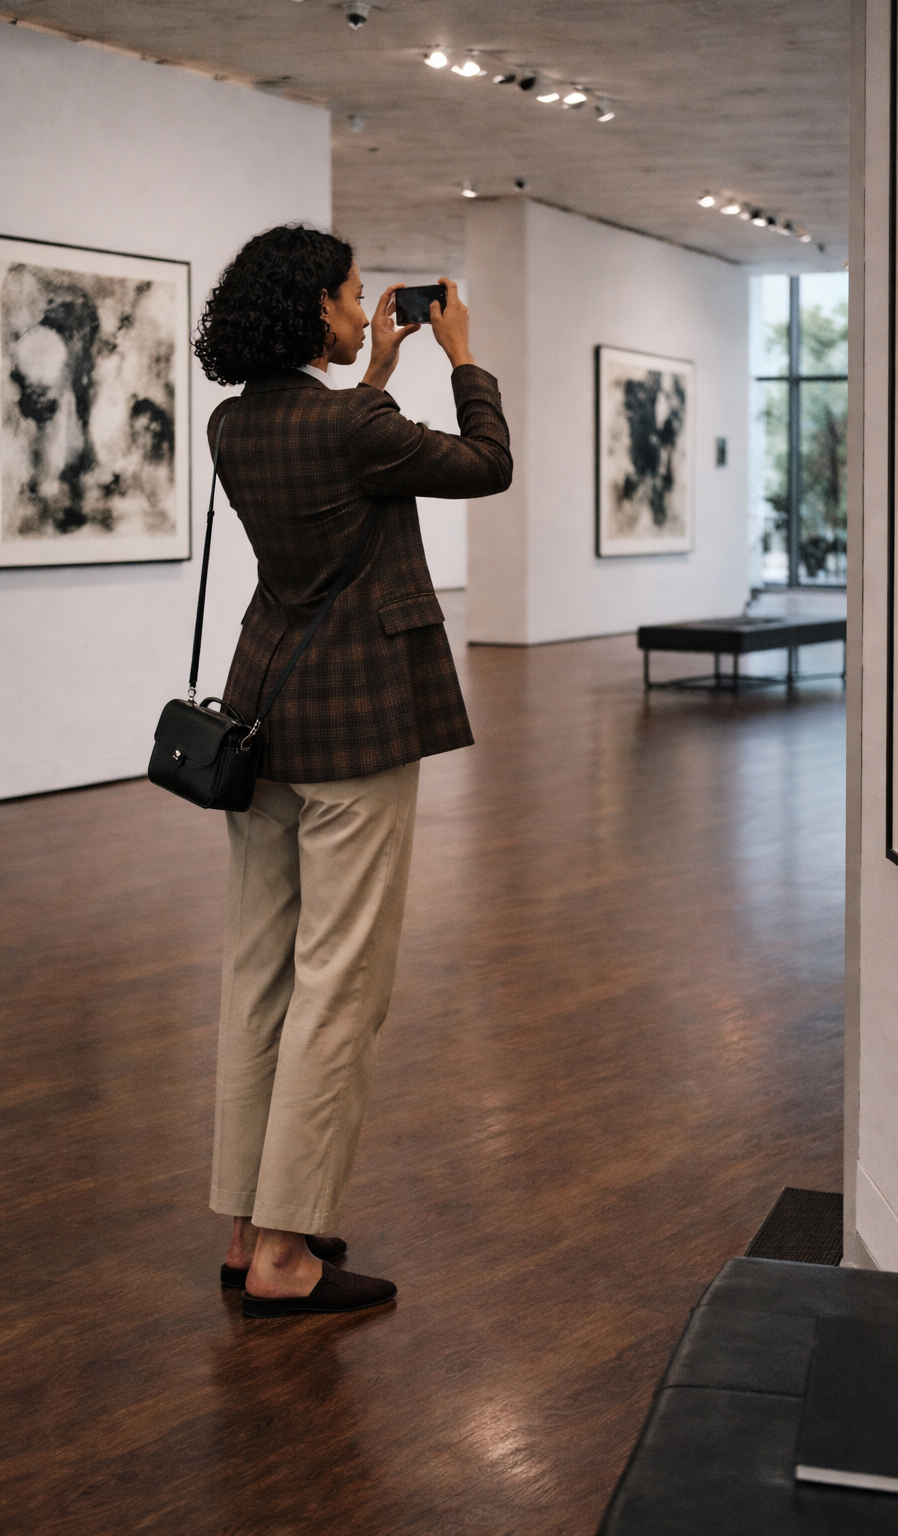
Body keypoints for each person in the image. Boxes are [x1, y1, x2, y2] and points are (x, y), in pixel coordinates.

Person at [192, 225, 512, 1319]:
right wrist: (461, 357)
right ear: (313, 313)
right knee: (340, 984)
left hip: (261, 718)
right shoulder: (358, 426)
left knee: (262, 974)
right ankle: (289, 1255)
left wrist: (376, 371)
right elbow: (487, 466)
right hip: (356, 730)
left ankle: (248, 1229)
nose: (363, 306)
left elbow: (336, 445)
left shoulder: (232, 425)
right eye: (352, 295)